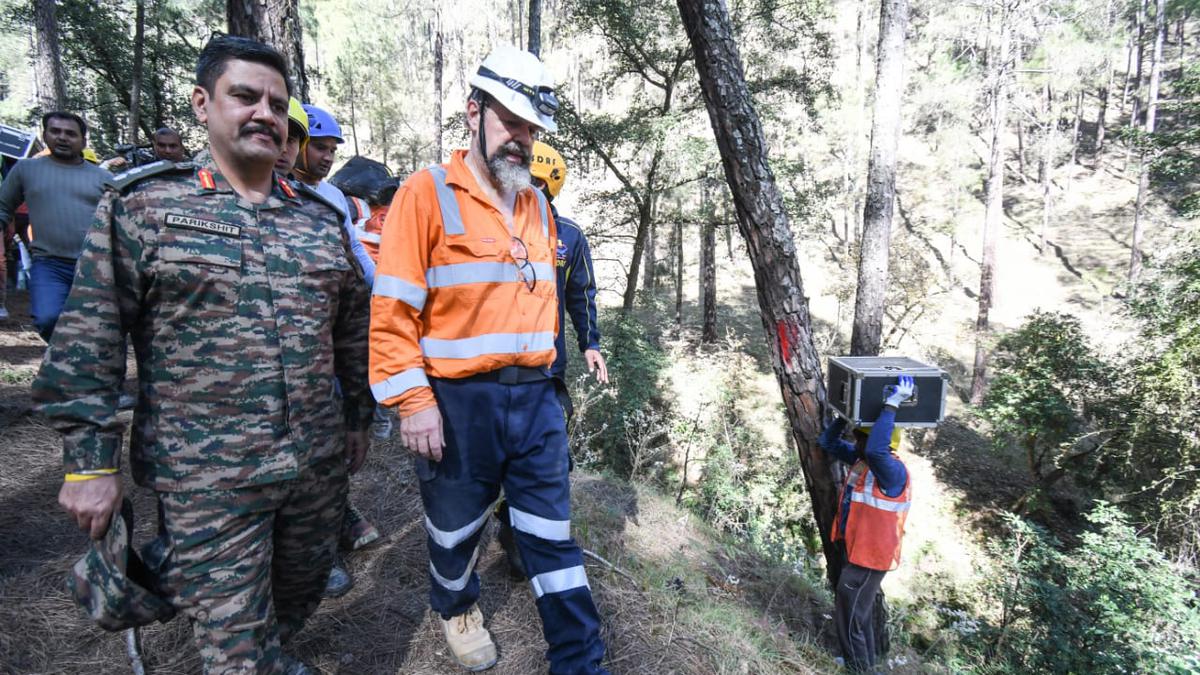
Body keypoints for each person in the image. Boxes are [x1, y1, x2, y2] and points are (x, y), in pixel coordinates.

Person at [32, 35, 372, 675]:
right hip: (207, 478)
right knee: (232, 643)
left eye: (277, 102)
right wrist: (87, 463)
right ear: (203, 104)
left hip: (315, 466)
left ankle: (274, 652)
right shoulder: (145, 206)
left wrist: (357, 416)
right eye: (245, 95)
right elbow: (89, 338)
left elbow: (353, 330)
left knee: (297, 597)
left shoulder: (319, 221)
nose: (264, 113)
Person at [371, 44, 609, 674]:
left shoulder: (534, 202)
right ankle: (456, 606)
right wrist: (414, 402)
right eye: (510, 121)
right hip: (457, 403)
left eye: (530, 128)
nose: (521, 139)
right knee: (454, 527)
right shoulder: (424, 195)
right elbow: (392, 312)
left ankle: (579, 660)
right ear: (472, 112)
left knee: (551, 535)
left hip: (535, 399)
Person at [495, 140, 607, 580]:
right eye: (529, 181)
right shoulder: (496, 227)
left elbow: (581, 294)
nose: (534, 189)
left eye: (543, 183)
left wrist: (590, 343)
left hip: (548, 371)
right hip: (496, 367)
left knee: (551, 462)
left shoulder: (570, 237)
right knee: (495, 459)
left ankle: (518, 533)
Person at [818, 375, 915, 674]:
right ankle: (864, 664)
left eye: (861, 438)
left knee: (849, 614)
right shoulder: (864, 461)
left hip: (870, 558)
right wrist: (843, 418)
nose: (856, 443)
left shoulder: (892, 470)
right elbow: (827, 442)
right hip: (859, 551)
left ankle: (858, 669)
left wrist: (891, 405)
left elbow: (875, 450)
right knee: (857, 614)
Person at [0, 111, 110, 340]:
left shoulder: (102, 177)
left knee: (99, 325)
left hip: (95, 264)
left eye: (70, 134)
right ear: (45, 134)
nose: (62, 137)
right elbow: (3, 207)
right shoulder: (26, 170)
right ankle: (68, 358)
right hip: (49, 263)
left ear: (83, 140)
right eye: (55, 131)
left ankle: (83, 368)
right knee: (48, 318)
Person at [292, 104, 376, 288]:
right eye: (320, 148)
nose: (328, 157)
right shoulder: (278, 189)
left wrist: (379, 287)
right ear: (299, 144)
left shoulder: (335, 196)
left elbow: (353, 247)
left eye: (332, 150)